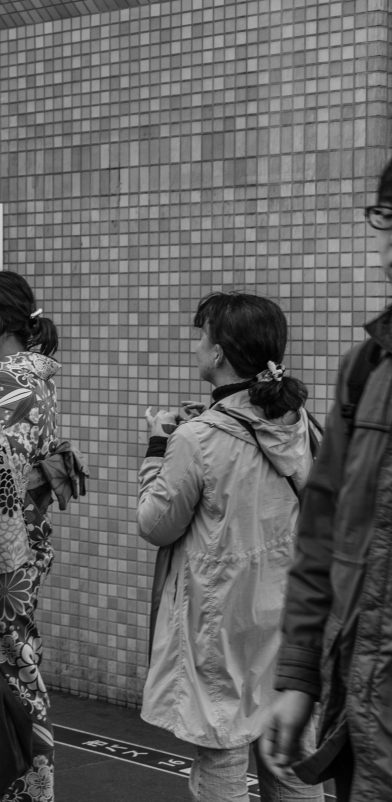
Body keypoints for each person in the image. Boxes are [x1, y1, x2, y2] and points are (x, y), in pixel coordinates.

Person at [137, 292, 322, 802]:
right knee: (288, 755)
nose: (196, 345)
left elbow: (156, 523)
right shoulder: (299, 423)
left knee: (221, 749)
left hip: (220, 617)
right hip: (287, 611)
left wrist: (158, 446)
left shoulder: (196, 438)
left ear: (218, 353)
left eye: (202, 336)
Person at [260, 164, 392, 800]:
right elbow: (321, 532)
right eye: (387, 222)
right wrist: (300, 676)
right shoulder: (366, 369)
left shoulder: (199, 436)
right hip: (363, 720)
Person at [0, 271, 62, 801]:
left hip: (7, 544)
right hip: (26, 536)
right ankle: (22, 782)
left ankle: (28, 784)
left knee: (12, 667)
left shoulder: (8, 386)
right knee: (13, 660)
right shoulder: (34, 380)